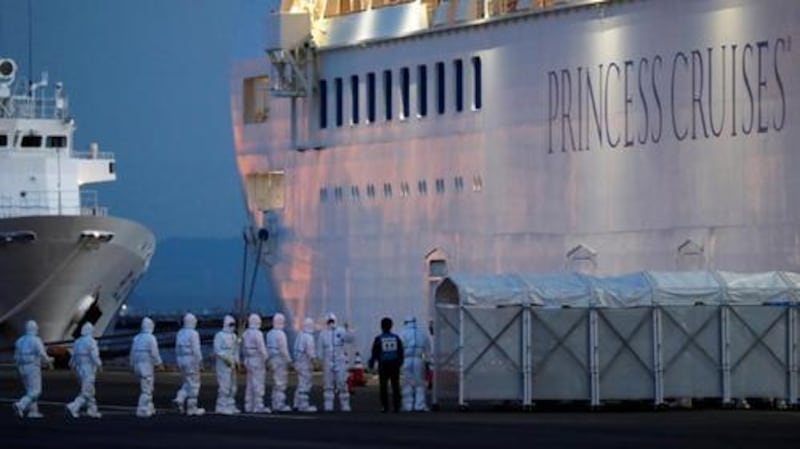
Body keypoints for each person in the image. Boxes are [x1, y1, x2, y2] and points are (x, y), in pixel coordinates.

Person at [13, 320, 54, 418]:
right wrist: (49, 361)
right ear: (34, 328)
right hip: (32, 367)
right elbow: (42, 353)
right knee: (36, 391)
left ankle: (33, 411)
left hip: (21, 367)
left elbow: (15, 356)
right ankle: (21, 405)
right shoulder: (36, 340)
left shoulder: (19, 340)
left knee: (29, 390)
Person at [66, 322, 103, 418]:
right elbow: (94, 356)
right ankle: (74, 406)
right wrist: (99, 364)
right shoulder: (91, 342)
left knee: (90, 390)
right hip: (88, 369)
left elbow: (73, 356)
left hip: (79, 369)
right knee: (86, 391)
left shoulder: (77, 342)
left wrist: (71, 365)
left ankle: (92, 410)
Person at [319, 312, 354, 412]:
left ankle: (345, 405)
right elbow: (320, 348)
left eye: (332, 321)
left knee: (342, 383)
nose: (331, 323)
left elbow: (350, 339)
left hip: (340, 361)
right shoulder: (323, 333)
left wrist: (347, 330)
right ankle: (328, 405)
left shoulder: (341, 331)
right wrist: (319, 359)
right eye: (329, 321)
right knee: (328, 384)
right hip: (327, 361)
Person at [130, 316, 163, 418]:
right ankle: (142, 409)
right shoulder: (150, 338)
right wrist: (159, 363)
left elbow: (132, 353)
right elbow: (154, 353)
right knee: (147, 389)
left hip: (137, 366)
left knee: (145, 387)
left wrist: (132, 364)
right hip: (146, 367)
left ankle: (150, 407)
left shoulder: (137, 338)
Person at [368, 317, 404, 413]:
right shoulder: (396, 338)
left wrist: (371, 363)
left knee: (383, 386)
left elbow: (374, 352)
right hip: (394, 364)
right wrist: (399, 363)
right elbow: (401, 351)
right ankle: (397, 406)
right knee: (395, 385)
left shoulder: (379, 339)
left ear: (381, 327)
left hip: (383, 365)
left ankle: (385, 406)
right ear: (391, 326)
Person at [173, 312, 205, 416]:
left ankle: (179, 399)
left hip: (181, 361)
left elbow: (176, 349)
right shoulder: (193, 333)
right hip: (191, 361)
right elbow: (196, 350)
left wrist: (178, 361)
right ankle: (192, 408)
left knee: (187, 382)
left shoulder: (180, 333)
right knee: (194, 384)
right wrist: (200, 362)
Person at [400, 315, 432, 412]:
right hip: (418, 360)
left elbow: (399, 348)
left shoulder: (402, 333)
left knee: (407, 383)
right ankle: (420, 405)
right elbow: (428, 350)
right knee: (420, 383)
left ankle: (407, 406)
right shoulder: (422, 333)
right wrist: (427, 362)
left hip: (406, 360)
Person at [241, 313, 270, 413]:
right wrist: (266, 359)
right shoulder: (258, 334)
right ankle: (258, 405)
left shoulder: (245, 333)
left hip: (248, 360)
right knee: (258, 383)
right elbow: (262, 348)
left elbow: (243, 349)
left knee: (250, 384)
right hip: (257, 360)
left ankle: (248, 405)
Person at [213, 315, 240, 415]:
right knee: (224, 385)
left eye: (234, 324)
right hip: (223, 364)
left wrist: (237, 362)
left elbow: (236, 350)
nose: (232, 326)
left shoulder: (234, 336)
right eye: (231, 324)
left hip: (232, 363)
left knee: (233, 386)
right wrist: (225, 358)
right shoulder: (219, 335)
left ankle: (230, 405)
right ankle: (221, 406)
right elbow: (217, 350)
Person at [266, 312, 292, 412]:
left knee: (275, 382)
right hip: (279, 360)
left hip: (272, 359)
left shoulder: (270, 333)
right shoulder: (281, 334)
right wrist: (289, 360)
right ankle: (279, 404)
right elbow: (283, 349)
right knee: (281, 383)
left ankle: (275, 403)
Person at [293, 317, 317, 412]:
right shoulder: (308, 337)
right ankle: (304, 405)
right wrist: (315, 361)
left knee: (300, 383)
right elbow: (310, 352)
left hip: (298, 362)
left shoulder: (300, 335)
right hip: (304, 363)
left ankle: (296, 403)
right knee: (305, 383)